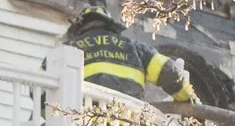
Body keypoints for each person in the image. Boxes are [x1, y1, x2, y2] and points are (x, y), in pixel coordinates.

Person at [64, 8, 197, 104]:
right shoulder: (134, 47)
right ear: (111, 26)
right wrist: (189, 99)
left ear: (79, 28)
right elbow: (168, 71)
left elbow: (46, 92)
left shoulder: (67, 49)